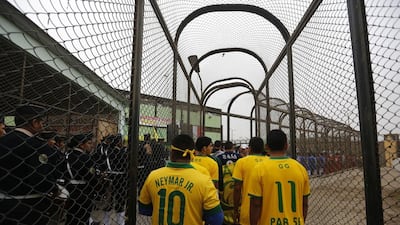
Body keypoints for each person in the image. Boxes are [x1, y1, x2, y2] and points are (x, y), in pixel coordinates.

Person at [138, 134, 224, 225]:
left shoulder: (153, 176)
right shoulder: (204, 180)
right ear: (193, 153)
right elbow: (216, 219)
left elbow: (144, 209)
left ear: (171, 152)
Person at [0, 104, 59, 225]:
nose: (42, 126)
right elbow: (39, 179)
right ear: (34, 122)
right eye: (41, 122)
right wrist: (54, 188)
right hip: (28, 205)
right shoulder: (37, 146)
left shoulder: (3, 141)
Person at [248, 130, 310, 225]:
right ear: (286, 146)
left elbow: (256, 204)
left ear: (267, 147)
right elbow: (304, 204)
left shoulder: (259, 169)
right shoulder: (300, 168)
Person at [64, 133, 100, 225]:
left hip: (69, 189)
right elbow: (92, 178)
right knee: (83, 217)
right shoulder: (86, 158)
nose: (91, 146)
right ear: (81, 145)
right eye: (89, 143)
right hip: (84, 191)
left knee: (71, 216)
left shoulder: (67, 156)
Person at [232, 137, 268, 225]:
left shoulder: (241, 162)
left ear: (250, 148)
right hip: (268, 214)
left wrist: (235, 210)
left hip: (248, 212)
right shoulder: (270, 162)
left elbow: (237, 188)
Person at [102, 134, 128, 225]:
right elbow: (126, 165)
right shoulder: (121, 153)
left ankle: (106, 222)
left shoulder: (107, 151)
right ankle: (120, 222)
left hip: (109, 176)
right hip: (120, 178)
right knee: (120, 201)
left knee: (108, 201)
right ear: (119, 142)